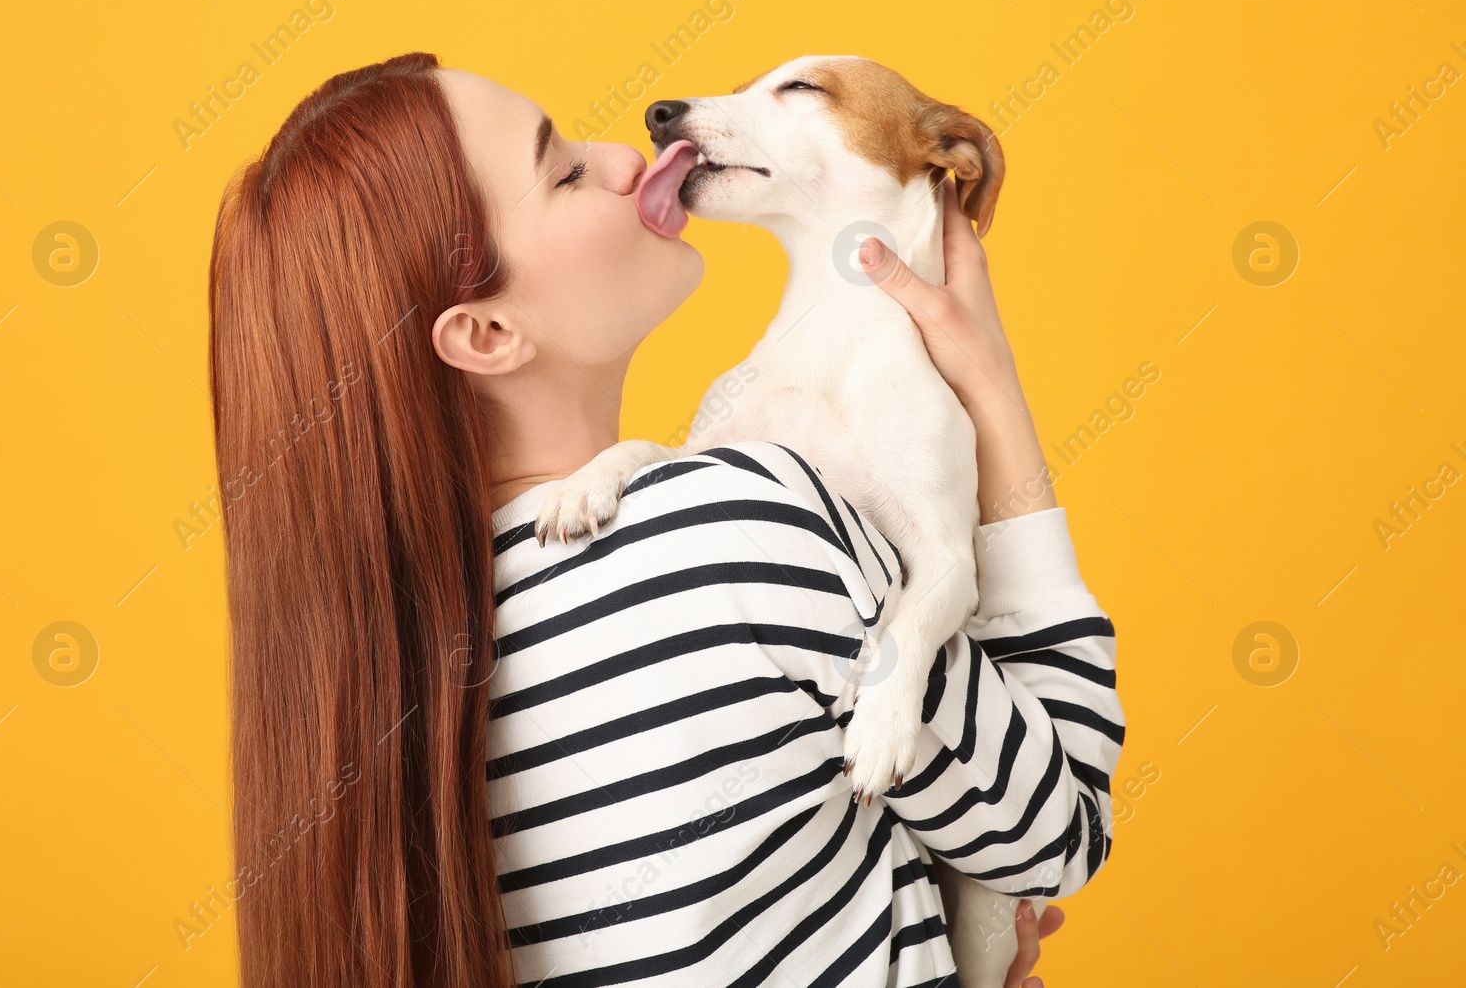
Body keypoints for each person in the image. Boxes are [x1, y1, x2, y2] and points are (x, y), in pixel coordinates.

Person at [208, 52, 1123, 988]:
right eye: (563, 170)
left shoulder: (405, 655)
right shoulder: (750, 533)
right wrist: (993, 390)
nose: (619, 155)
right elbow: (1059, 835)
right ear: (486, 333)